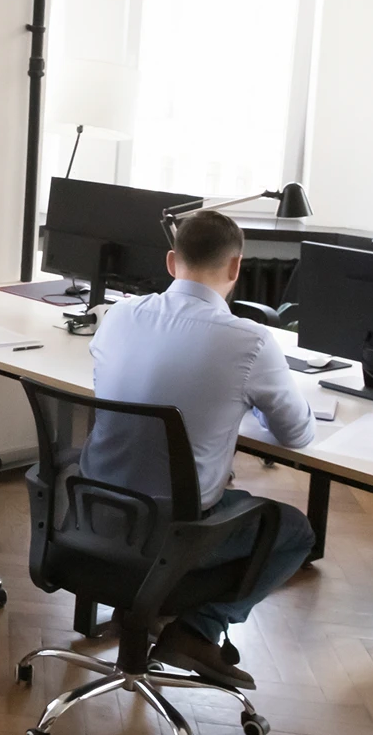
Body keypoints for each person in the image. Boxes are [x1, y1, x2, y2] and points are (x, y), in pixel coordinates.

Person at [82, 210, 318, 689]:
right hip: (172, 534)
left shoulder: (118, 316)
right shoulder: (249, 340)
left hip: (93, 514)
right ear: (235, 269)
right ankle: (197, 631)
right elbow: (296, 435)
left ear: (172, 261)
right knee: (294, 530)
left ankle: (149, 610)